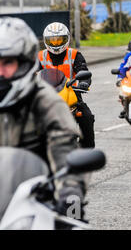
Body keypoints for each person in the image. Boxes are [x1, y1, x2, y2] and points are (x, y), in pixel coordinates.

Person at [0, 17, 86, 218]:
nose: (1, 72)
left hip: (37, 201)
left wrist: (70, 198)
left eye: (8, 62)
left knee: (86, 116)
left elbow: (64, 151)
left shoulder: (45, 101)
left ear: (25, 63)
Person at [38, 22, 95, 148]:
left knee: (87, 117)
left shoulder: (74, 55)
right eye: (53, 40)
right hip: (46, 96)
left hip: (71, 94)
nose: (56, 43)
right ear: (46, 40)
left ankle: (87, 150)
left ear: (67, 39)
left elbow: (83, 71)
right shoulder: (40, 56)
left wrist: (84, 82)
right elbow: (29, 73)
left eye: (59, 40)